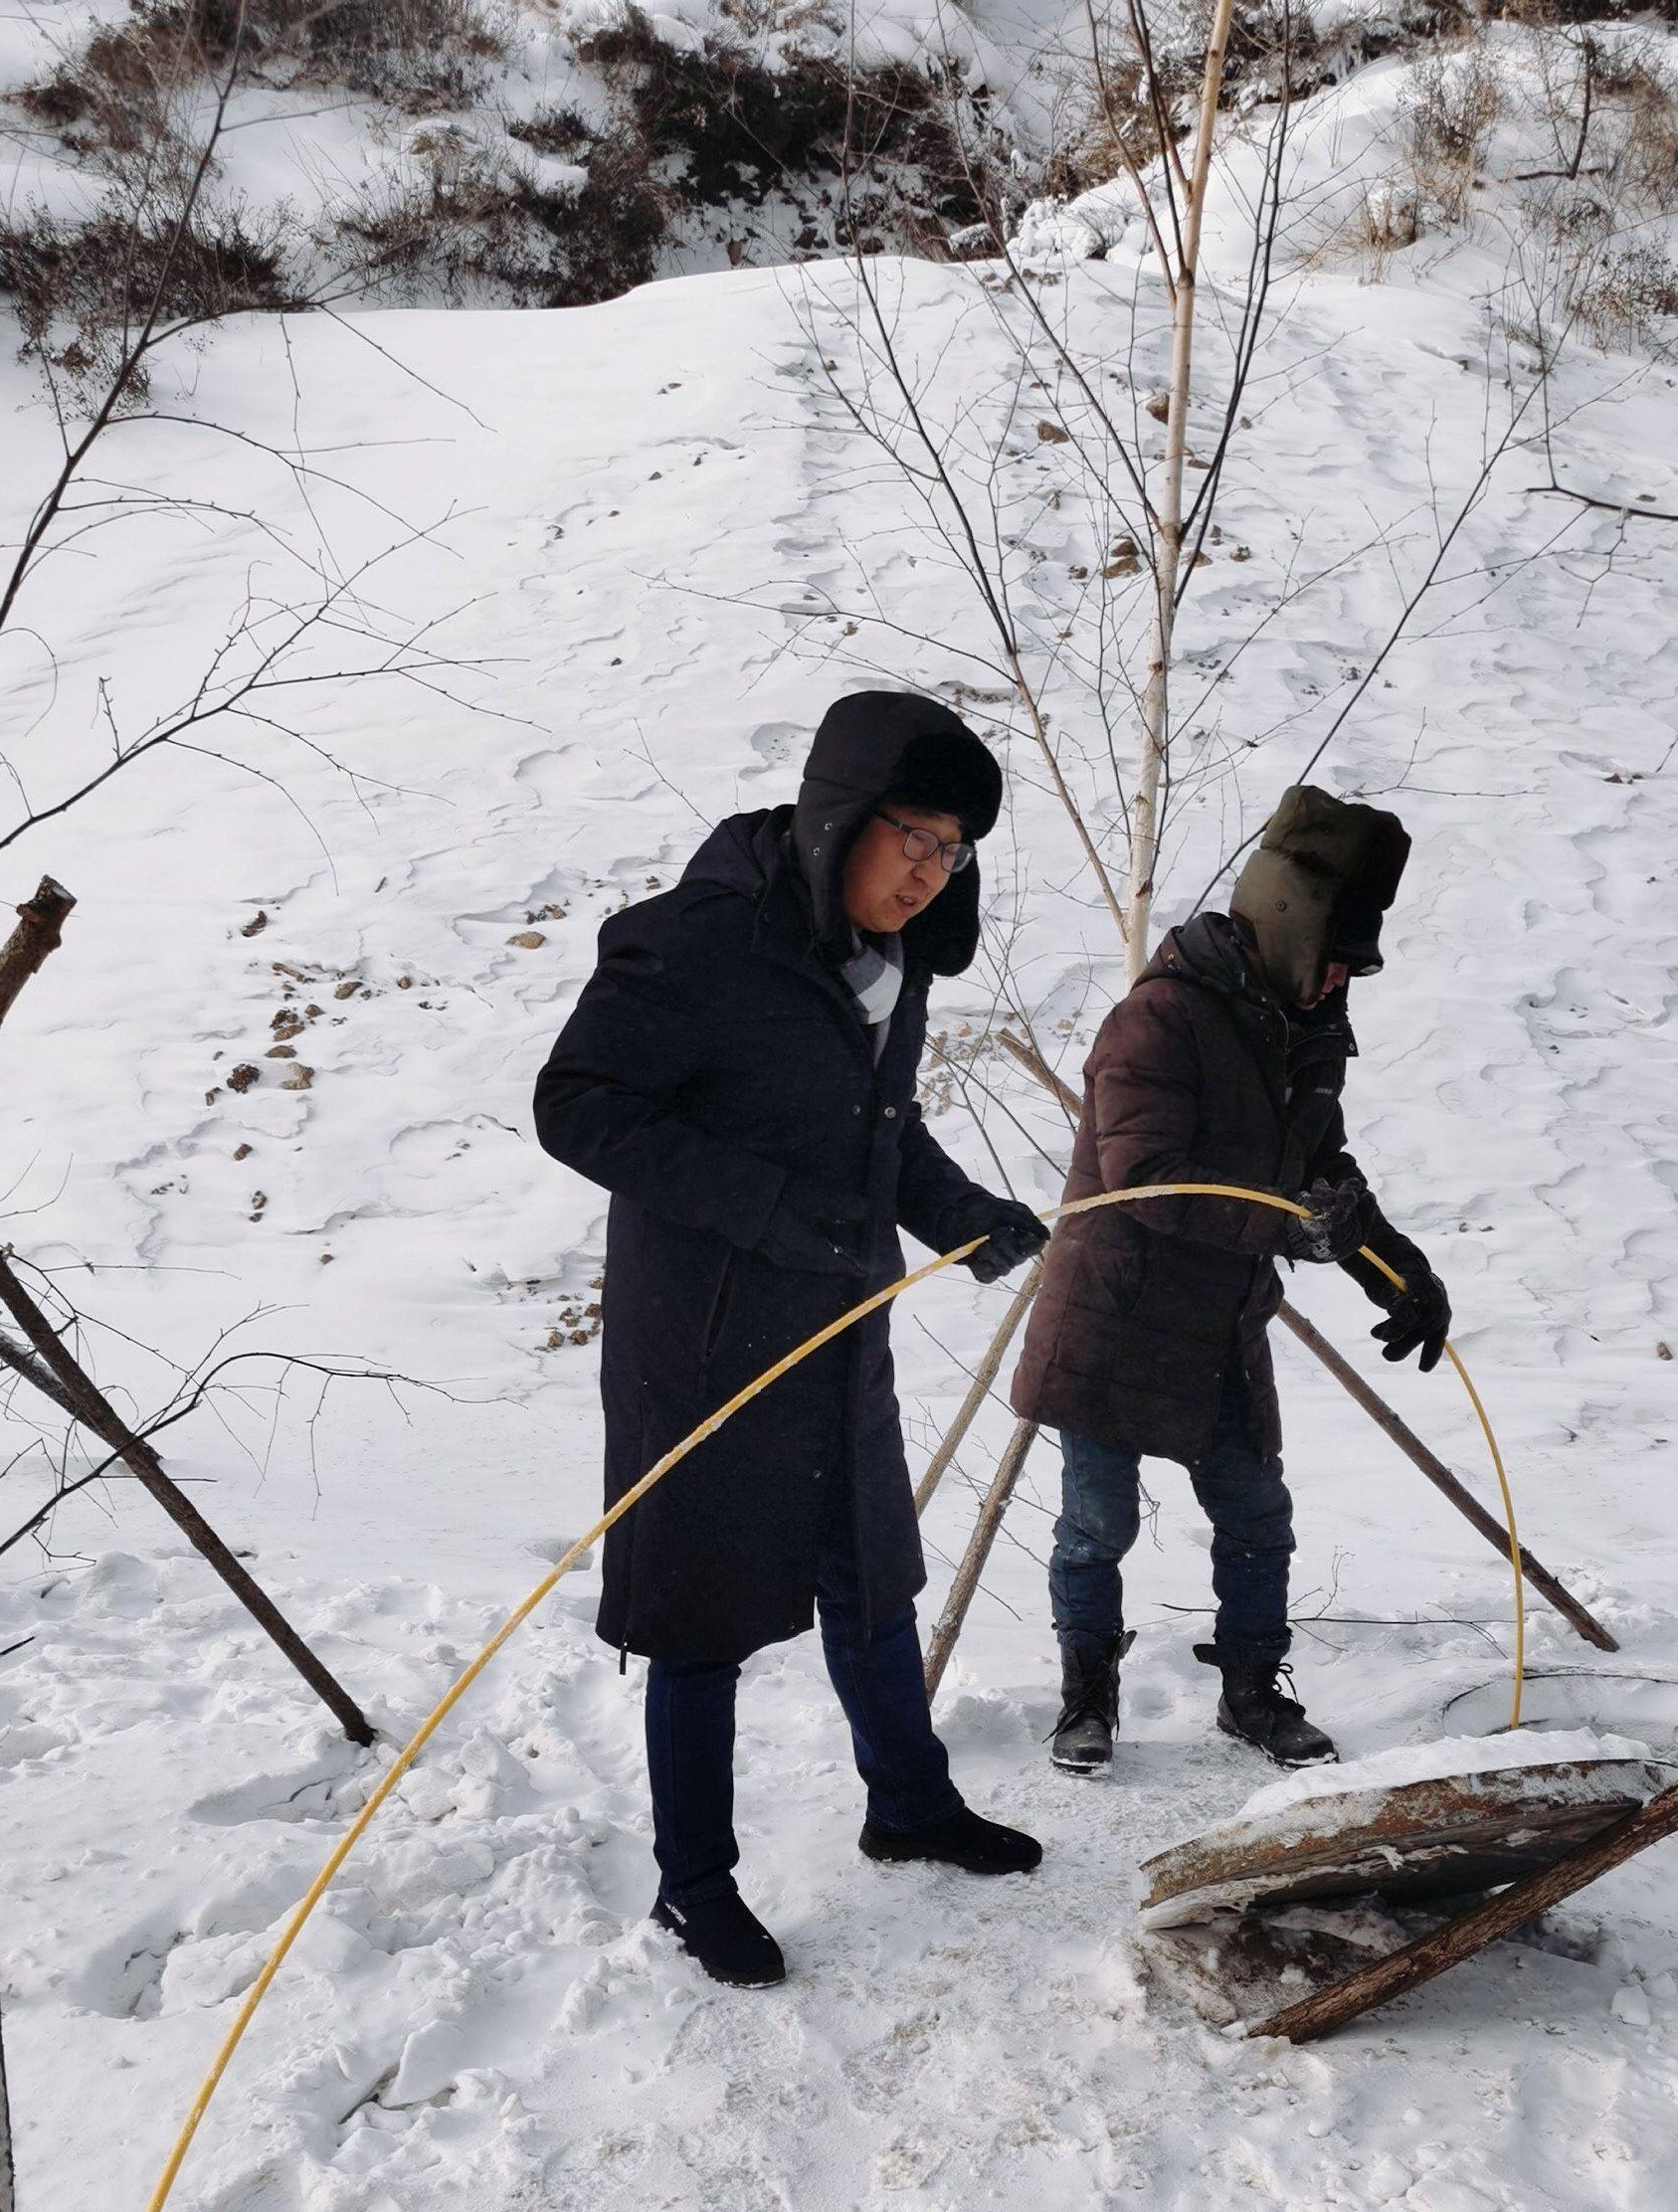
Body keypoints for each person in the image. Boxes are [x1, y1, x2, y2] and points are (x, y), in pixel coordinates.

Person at [534, 692, 1051, 1988]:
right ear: (838, 820)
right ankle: (692, 1888)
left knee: (869, 1583)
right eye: (912, 839)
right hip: (707, 1349)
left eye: (952, 852)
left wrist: (957, 1213)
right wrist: (770, 1212)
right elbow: (576, 1106)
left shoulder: (890, 970)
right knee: (698, 1624)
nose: (928, 873)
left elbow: (879, 1139)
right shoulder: (697, 947)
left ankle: (909, 1804)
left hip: (837, 1331)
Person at [1010, 786, 1450, 1777]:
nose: (1341, 977)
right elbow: (1145, 1178)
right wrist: (1292, 1228)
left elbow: (1324, 1173)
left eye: (1354, 964)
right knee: (1098, 1522)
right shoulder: (1158, 1021)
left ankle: (1252, 1692)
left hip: (1218, 1324)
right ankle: (1086, 1696)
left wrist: (1397, 1269)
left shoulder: (1310, 1028)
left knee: (1257, 1515)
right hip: (1116, 1317)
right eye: (1334, 955)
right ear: (1288, 929)